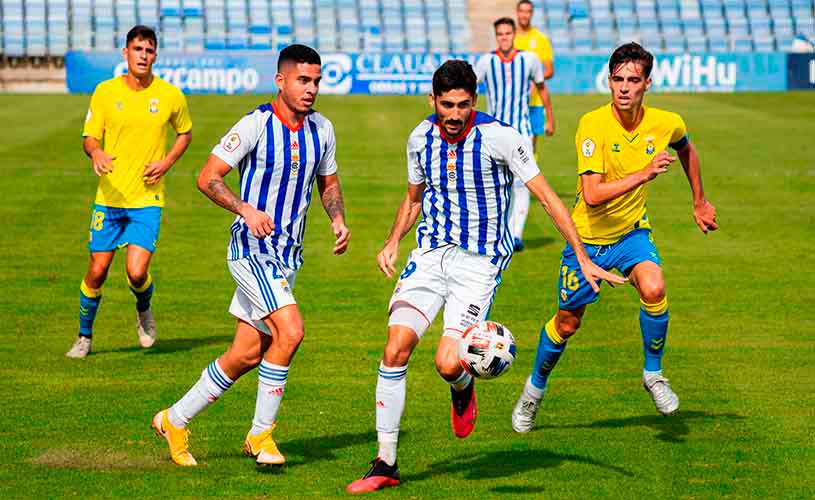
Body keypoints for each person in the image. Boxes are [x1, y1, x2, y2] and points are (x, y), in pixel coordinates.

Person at [346, 60, 623, 494]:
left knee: (447, 362)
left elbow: (548, 197)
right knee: (395, 348)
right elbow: (413, 199)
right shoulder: (419, 138)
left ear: (474, 101)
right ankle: (385, 462)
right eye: (446, 105)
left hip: (479, 265)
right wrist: (392, 240)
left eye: (462, 105)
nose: (454, 114)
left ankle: (461, 387)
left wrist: (583, 257)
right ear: (433, 100)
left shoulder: (501, 138)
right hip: (430, 255)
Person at [151, 44, 350, 467]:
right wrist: (246, 208)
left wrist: (337, 219)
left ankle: (174, 418)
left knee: (245, 355)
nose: (311, 88)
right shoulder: (256, 125)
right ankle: (261, 436)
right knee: (291, 332)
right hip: (251, 250)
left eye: (316, 80)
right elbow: (208, 177)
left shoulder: (324, 129)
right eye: (303, 80)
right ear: (281, 81)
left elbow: (328, 183)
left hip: (287, 258)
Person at [511, 42, 719, 433]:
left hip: (630, 233)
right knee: (568, 324)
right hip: (586, 241)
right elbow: (592, 194)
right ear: (609, 82)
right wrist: (644, 173)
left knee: (654, 288)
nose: (624, 88)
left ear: (647, 85)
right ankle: (532, 393)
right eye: (618, 80)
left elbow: (686, 147)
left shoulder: (665, 121)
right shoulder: (593, 124)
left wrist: (699, 201)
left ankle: (653, 375)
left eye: (633, 81)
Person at [66, 25, 192, 358]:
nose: (143, 56)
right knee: (97, 271)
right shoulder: (105, 92)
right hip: (109, 197)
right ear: (126, 53)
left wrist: (166, 162)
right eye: (138, 49)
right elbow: (89, 137)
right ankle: (84, 337)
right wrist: (96, 153)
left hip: (146, 199)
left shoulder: (170, 95)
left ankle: (144, 311)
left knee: (136, 272)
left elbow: (185, 133)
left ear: (155, 55)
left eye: (149, 51)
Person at [474, 17, 556, 253]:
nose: (504, 38)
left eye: (508, 34)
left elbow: (542, 89)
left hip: (522, 132)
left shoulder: (529, 60)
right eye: (500, 34)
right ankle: (497, 231)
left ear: (514, 35)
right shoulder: (485, 62)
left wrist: (550, 118)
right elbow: (469, 89)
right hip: (493, 134)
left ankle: (515, 235)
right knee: (494, 184)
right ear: (496, 36)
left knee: (522, 183)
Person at [514, 0, 555, 154]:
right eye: (522, 11)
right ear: (517, 13)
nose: (525, 15)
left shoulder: (540, 39)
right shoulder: (510, 38)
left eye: (528, 11)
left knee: (530, 148)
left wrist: (533, 80)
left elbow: (550, 70)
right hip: (513, 103)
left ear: (531, 14)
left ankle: (530, 178)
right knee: (512, 146)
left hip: (534, 102)